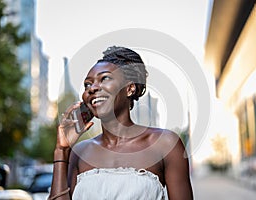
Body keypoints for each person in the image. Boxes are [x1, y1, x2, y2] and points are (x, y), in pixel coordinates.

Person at [48, 46, 194, 200]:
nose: (92, 88)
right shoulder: (79, 152)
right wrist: (61, 150)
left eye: (104, 78)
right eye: (87, 84)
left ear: (130, 88)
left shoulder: (165, 144)